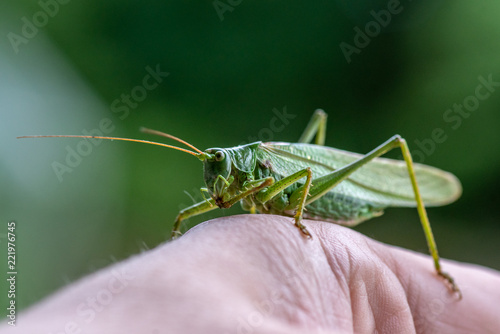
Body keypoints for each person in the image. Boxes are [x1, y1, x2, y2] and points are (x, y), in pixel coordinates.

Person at [2, 215, 499, 333]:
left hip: (313, 187)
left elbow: (302, 176)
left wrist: (300, 219)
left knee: (393, 145)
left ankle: (440, 267)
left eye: (218, 167)